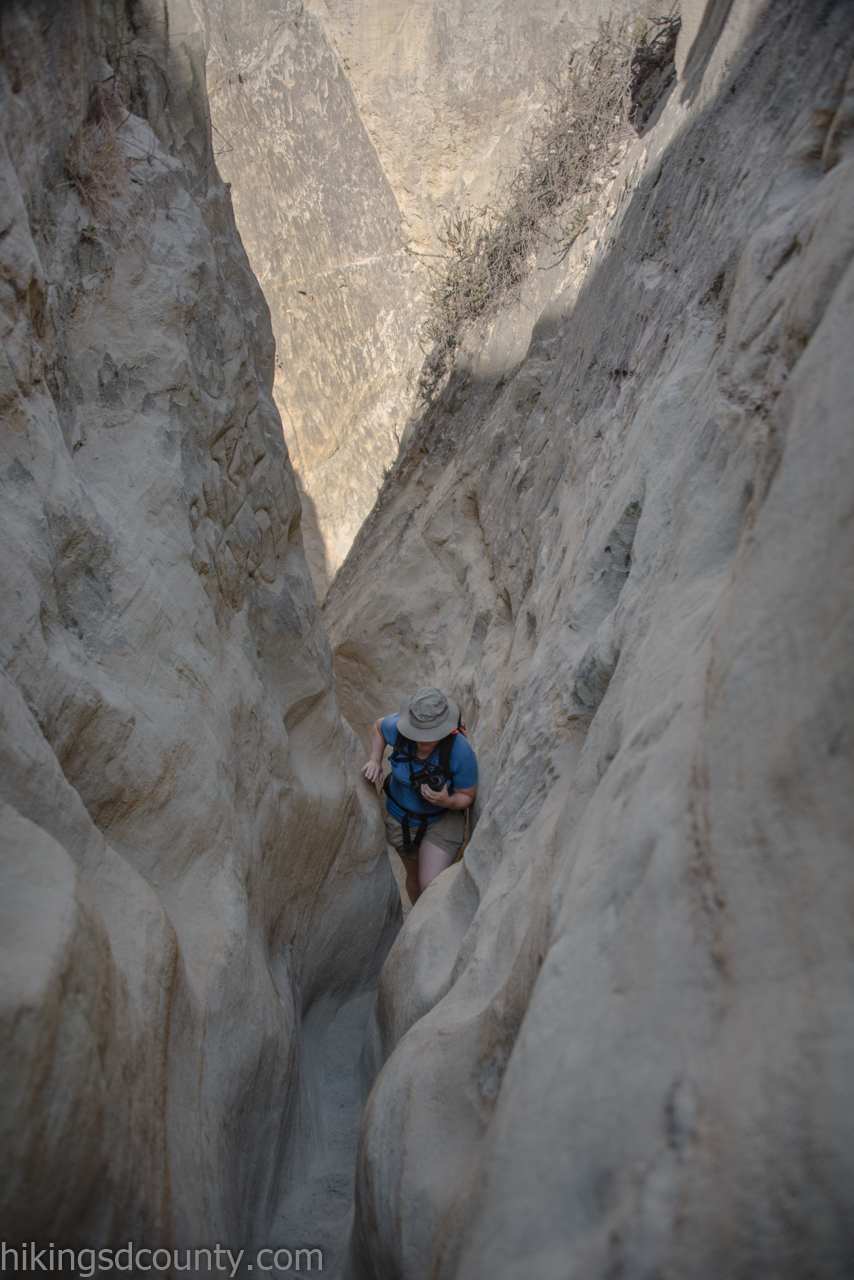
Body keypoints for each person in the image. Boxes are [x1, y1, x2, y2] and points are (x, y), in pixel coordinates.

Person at [362, 687, 478, 906]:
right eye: (419, 731)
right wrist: (374, 760)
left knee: (430, 885)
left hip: (442, 817)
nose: (424, 739)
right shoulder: (398, 729)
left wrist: (447, 801)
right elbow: (378, 727)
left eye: (431, 733)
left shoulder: (460, 750)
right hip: (400, 820)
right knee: (414, 879)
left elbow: (467, 795)